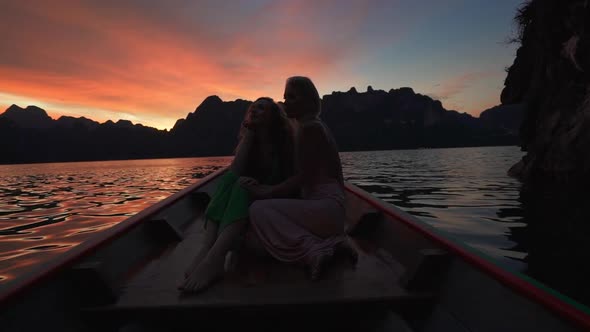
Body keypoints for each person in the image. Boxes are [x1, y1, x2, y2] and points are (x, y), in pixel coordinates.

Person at [240, 76, 357, 280]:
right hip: (331, 210)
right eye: (285, 97)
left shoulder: (309, 129)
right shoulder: (313, 126)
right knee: (254, 238)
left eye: (292, 97)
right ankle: (334, 241)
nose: (286, 102)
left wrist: (262, 191)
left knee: (257, 211)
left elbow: (301, 178)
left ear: (309, 101)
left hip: (325, 210)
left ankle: (314, 249)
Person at [180, 97, 294, 292]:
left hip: (276, 202)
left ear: (273, 118)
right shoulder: (250, 142)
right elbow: (235, 171)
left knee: (238, 184)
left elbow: (293, 182)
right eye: (253, 108)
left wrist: (263, 189)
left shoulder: (285, 142)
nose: (255, 110)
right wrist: (249, 135)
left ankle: (212, 257)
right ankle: (209, 251)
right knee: (232, 181)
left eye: (261, 108)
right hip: (249, 202)